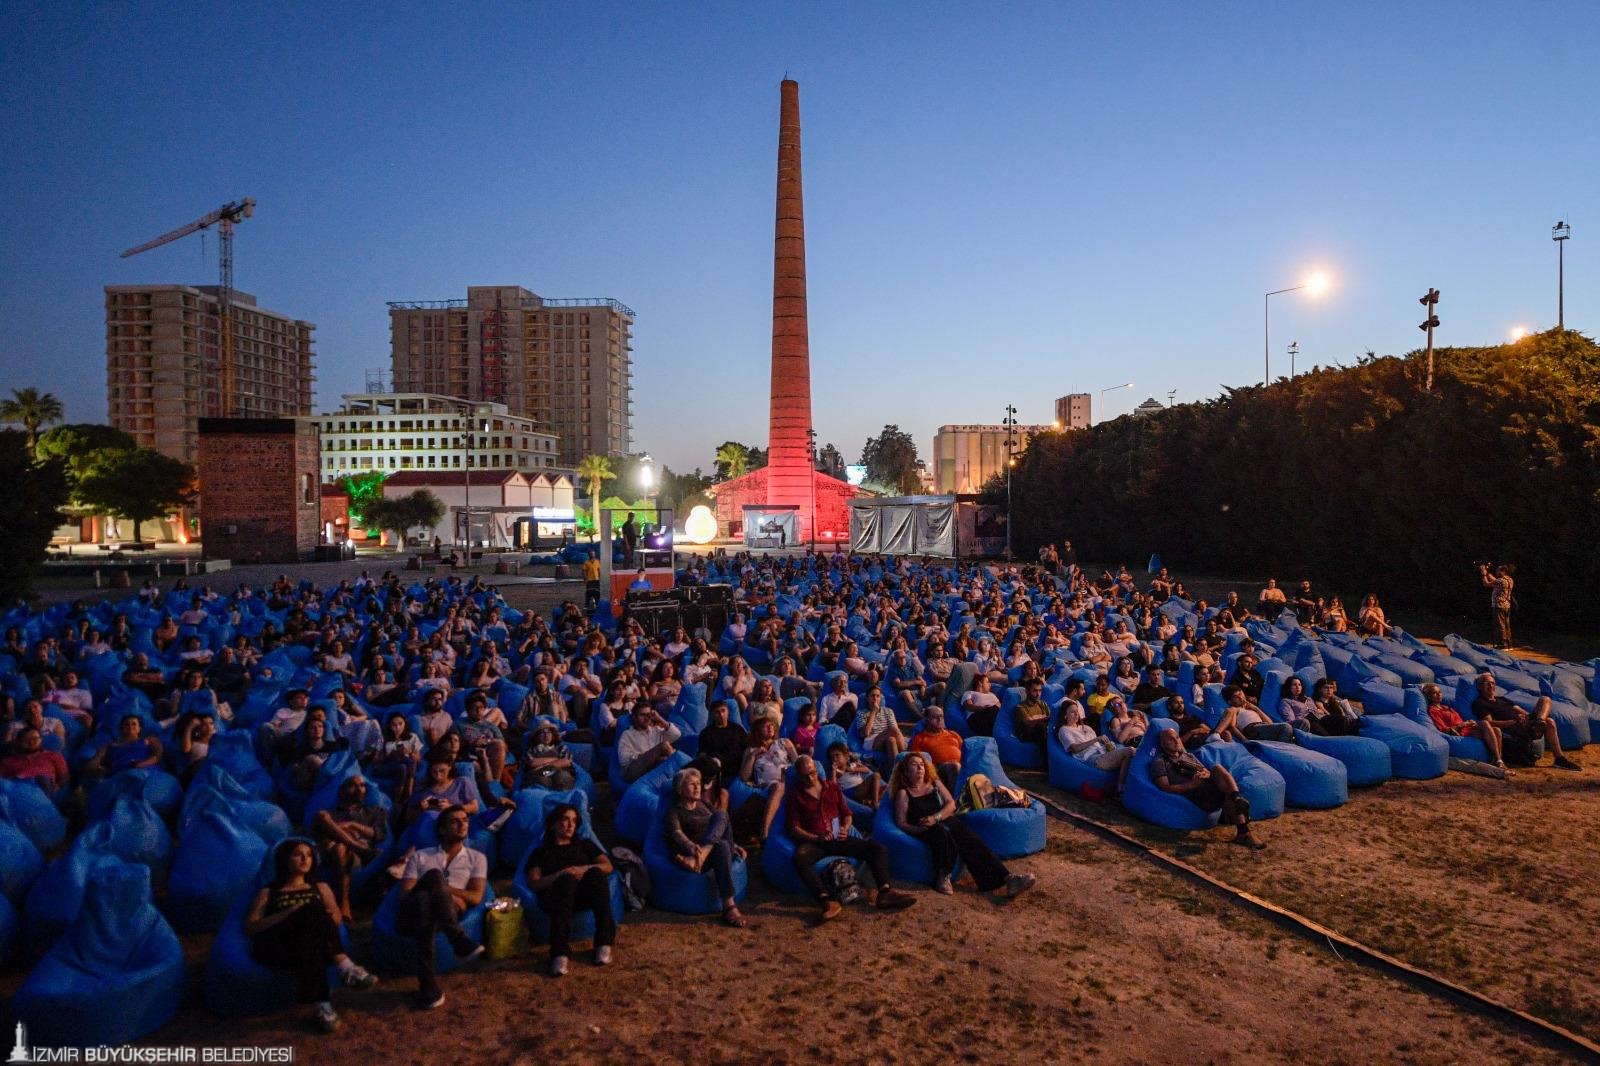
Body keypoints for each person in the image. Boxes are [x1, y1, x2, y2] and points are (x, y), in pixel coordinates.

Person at [244, 839, 378, 1033]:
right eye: (298, 854)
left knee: (312, 930)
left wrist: (306, 914)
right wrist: (290, 912)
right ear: (285, 860)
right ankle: (346, 967)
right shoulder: (269, 892)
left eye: (308, 854)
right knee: (310, 911)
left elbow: (336, 919)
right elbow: (251, 927)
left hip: (312, 945)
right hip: (279, 945)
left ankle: (323, 1005)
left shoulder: (321, 887)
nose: (305, 858)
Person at [787, 755, 916, 921]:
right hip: (817, 842)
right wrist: (814, 837)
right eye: (805, 775)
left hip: (838, 838)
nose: (810, 778)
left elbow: (847, 814)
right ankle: (826, 901)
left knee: (878, 849)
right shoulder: (795, 796)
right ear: (798, 775)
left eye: (812, 773)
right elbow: (794, 828)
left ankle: (885, 892)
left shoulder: (832, 787)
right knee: (800, 858)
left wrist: (845, 828)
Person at [889, 752, 1034, 899]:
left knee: (969, 838)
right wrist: (920, 829)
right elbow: (901, 823)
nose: (920, 768)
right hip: (925, 828)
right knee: (941, 833)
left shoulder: (934, 783)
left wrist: (936, 817)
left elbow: (951, 805)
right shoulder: (904, 793)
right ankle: (943, 875)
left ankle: (1008, 879)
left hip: (941, 819)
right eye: (914, 765)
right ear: (906, 772)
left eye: (922, 764)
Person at [395, 805, 487, 1009]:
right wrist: (444, 890)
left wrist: (443, 892)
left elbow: (475, 897)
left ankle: (428, 986)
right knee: (430, 883)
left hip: (440, 914)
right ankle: (458, 940)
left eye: (465, 820)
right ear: (442, 829)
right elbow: (405, 894)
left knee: (425, 905)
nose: (463, 824)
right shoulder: (421, 856)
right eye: (455, 821)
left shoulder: (477, 858)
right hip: (409, 914)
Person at [524, 803, 617, 974]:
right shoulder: (542, 852)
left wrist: (583, 869)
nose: (570, 825)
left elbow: (608, 866)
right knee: (567, 880)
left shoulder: (584, 845)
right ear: (553, 824)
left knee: (595, 872)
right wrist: (559, 875)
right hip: (556, 897)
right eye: (565, 820)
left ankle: (604, 942)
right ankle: (559, 953)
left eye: (574, 821)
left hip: (582, 895)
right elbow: (534, 883)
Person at [662, 767, 750, 928]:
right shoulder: (674, 812)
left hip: (699, 858)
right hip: (695, 855)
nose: (697, 788)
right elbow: (677, 834)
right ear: (680, 789)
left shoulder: (704, 804)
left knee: (722, 816)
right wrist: (691, 848)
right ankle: (729, 906)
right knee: (722, 845)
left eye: (699, 784)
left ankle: (705, 853)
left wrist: (735, 845)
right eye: (691, 784)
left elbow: (721, 825)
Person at [1149, 729, 1263, 848]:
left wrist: (1206, 775)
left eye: (1177, 737)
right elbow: (1164, 787)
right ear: (1162, 744)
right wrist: (1191, 785)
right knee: (1226, 792)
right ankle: (1242, 827)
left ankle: (1237, 800)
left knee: (1217, 769)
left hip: (1206, 784)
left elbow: (1206, 771)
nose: (1176, 741)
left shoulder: (1188, 756)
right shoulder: (1160, 762)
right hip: (1195, 792)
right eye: (1171, 739)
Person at [313, 777, 389, 920]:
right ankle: (358, 848)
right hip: (334, 850)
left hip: (354, 854)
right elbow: (318, 832)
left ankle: (344, 902)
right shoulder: (331, 812)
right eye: (352, 785)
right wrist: (347, 834)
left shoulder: (375, 811)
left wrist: (351, 825)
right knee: (321, 816)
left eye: (362, 785)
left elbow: (378, 834)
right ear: (342, 790)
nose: (359, 788)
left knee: (340, 848)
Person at [1471, 673, 1579, 772]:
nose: (1491, 685)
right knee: (1550, 722)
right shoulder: (1480, 703)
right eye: (1487, 683)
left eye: (1493, 683)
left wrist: (1527, 717)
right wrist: (1512, 721)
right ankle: (1539, 726)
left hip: (1525, 723)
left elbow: (1521, 711)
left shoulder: (1502, 699)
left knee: (1545, 700)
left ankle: (1558, 757)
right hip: (1512, 727)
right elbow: (1489, 723)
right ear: (1480, 687)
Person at [1421, 683, 1506, 771]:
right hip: (1461, 732)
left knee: (1497, 730)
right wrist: (1462, 725)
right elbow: (1443, 730)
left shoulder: (1447, 707)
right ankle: (1498, 760)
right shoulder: (1433, 711)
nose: (1439, 694)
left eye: (1440, 692)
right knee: (1485, 723)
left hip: (1467, 728)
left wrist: (1470, 723)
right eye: (1435, 693)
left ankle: (1498, 760)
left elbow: (1459, 720)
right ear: (1429, 697)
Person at [738, 716, 795, 840]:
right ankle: (765, 832)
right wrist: (753, 756)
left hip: (790, 778)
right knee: (779, 786)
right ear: (758, 731)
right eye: (766, 726)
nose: (770, 727)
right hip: (769, 785)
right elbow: (744, 776)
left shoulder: (784, 742)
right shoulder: (751, 750)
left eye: (772, 725)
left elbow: (797, 763)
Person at [1056, 701, 1133, 793]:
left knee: (1134, 751)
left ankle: (1124, 787)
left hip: (1102, 753)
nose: (1077, 714)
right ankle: (1121, 789)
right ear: (1065, 715)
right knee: (1129, 751)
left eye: (1077, 711)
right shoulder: (1064, 730)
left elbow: (1098, 745)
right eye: (1072, 712)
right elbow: (1075, 748)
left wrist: (1107, 745)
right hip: (1092, 758)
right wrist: (1096, 739)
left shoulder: (1086, 727)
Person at [616, 704, 681, 782]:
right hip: (633, 771)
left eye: (649, 715)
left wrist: (660, 719)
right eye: (642, 715)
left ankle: (679, 780)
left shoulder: (656, 730)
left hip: (651, 768)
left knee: (664, 760)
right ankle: (682, 773)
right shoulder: (627, 734)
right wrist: (648, 756)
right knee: (664, 745)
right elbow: (623, 760)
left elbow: (677, 734)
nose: (647, 718)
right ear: (634, 717)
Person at [909, 705, 963, 792]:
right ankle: (957, 799)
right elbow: (915, 760)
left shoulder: (953, 734)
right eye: (935, 717)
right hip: (938, 769)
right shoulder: (920, 739)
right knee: (954, 766)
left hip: (960, 766)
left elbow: (965, 752)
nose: (939, 719)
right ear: (926, 720)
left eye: (941, 716)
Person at [1215, 686, 1294, 743]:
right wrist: (1244, 739)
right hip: (1252, 729)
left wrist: (1256, 708)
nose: (1240, 697)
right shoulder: (1234, 709)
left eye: (1240, 693)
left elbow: (1270, 723)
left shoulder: (1252, 709)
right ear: (1230, 701)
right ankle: (1285, 748)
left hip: (1262, 727)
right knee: (1285, 727)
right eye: (1236, 696)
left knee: (1295, 726)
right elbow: (1232, 727)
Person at [0, 725, 69, 791]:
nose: (31, 742)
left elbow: (64, 777)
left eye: (34, 739)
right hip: (19, 790)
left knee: (42, 779)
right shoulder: (7, 761)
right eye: (26, 740)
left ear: (41, 739)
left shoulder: (53, 755)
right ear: (19, 742)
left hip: (43, 790)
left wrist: (57, 787)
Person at [521, 720, 578, 791]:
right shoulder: (531, 750)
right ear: (537, 737)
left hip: (558, 772)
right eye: (542, 733)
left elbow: (566, 761)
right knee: (543, 780)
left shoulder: (561, 747)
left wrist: (544, 766)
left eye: (548, 732)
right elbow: (532, 762)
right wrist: (557, 760)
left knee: (562, 777)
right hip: (540, 774)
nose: (546, 735)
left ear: (553, 735)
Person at [825, 741, 882, 808]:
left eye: (837, 755)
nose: (835, 759)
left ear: (845, 756)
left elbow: (866, 770)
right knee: (876, 776)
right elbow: (833, 786)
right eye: (832, 758)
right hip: (851, 792)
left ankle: (869, 801)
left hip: (861, 788)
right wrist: (834, 771)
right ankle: (875, 803)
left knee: (878, 781)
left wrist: (853, 769)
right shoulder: (836, 772)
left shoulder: (852, 765)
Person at [1480, 563, 1516, 649]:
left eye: (1498, 570)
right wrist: (1489, 574)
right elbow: (1496, 581)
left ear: (1503, 571)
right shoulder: (1509, 580)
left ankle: (1503, 645)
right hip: (1507, 606)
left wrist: (1484, 574)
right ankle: (1508, 644)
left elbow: (1486, 584)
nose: (1496, 571)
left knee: (1500, 625)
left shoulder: (1500, 581)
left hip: (1499, 606)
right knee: (1507, 625)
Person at [1012, 677, 1050, 747]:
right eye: (1035, 691)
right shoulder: (1021, 707)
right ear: (1027, 691)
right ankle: (1046, 757)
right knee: (1041, 727)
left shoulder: (1043, 704)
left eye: (1040, 691)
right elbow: (1029, 722)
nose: (1038, 694)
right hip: (1026, 734)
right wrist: (1045, 719)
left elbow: (1050, 718)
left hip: (1042, 730)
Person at [960, 672, 1001, 736]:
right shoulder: (970, 693)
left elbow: (1000, 707)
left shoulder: (992, 694)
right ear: (980, 683)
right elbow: (968, 705)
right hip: (977, 717)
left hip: (994, 714)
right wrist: (982, 708)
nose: (990, 684)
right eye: (987, 682)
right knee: (993, 710)